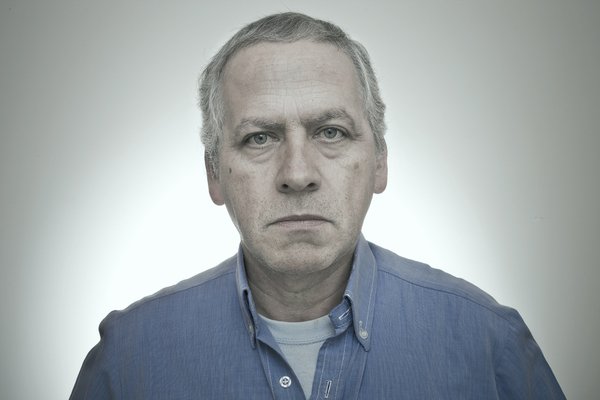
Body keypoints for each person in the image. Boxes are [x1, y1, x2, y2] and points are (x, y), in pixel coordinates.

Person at [70, 12, 565, 400]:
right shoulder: (129, 359)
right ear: (214, 174)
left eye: (331, 132)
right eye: (260, 137)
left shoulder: (489, 342)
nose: (297, 173)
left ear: (379, 162)